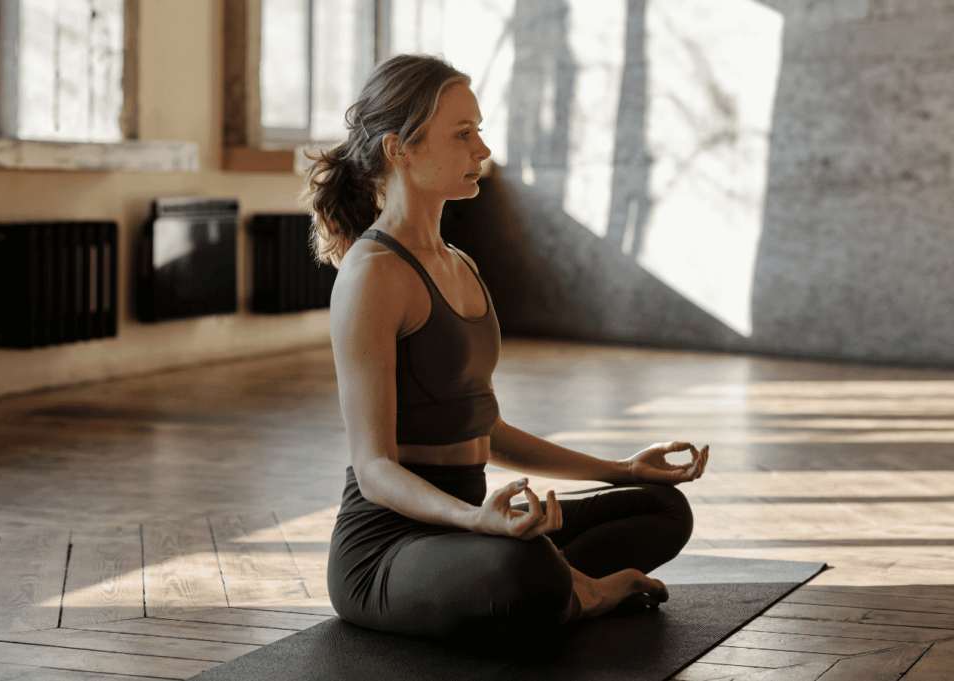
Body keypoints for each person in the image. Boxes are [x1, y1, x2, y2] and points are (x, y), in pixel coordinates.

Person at [303, 54, 709, 640]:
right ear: (400, 149)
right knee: (526, 568)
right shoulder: (372, 275)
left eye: (480, 131)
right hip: (389, 551)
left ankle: (557, 585)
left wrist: (621, 469)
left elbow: (484, 431)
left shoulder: (459, 265)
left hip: (473, 531)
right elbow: (373, 470)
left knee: (661, 507)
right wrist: (475, 520)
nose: (483, 150)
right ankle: (583, 592)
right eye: (463, 134)